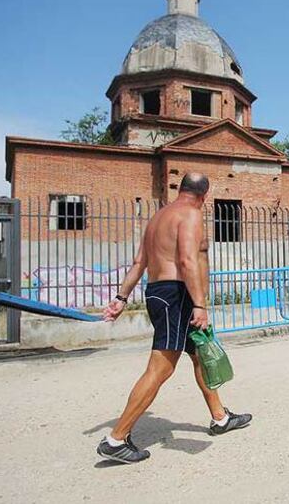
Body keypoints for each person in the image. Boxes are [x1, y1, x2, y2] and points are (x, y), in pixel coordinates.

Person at [97, 173, 252, 464]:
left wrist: (121, 298)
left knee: (198, 354)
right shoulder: (191, 214)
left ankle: (220, 417)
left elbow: (139, 263)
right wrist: (200, 304)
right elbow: (187, 261)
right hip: (175, 295)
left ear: (180, 189)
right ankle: (116, 439)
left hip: (157, 291)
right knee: (161, 368)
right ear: (204, 196)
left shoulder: (158, 218)